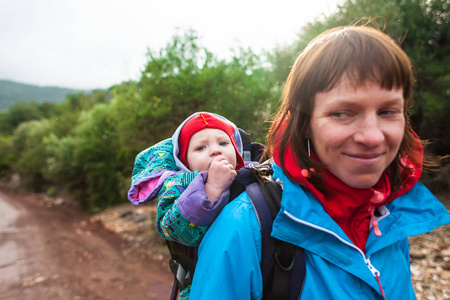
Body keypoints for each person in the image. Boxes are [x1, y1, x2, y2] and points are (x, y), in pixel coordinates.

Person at [188, 25, 450, 299]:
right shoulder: (245, 227)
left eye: (388, 111)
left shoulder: (390, 215)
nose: (372, 136)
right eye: (341, 113)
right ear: (303, 124)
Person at [128, 112, 247, 299]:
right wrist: (212, 188)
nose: (215, 151)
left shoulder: (253, 174)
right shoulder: (178, 186)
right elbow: (172, 228)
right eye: (201, 147)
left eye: (223, 143)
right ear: (185, 163)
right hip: (206, 285)